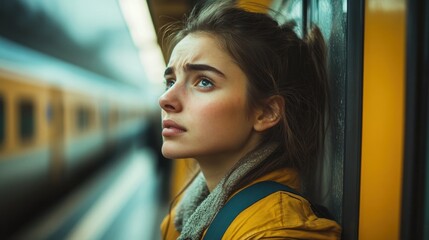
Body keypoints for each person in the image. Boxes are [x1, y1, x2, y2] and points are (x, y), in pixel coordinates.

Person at [158, 1, 341, 239]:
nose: (166, 99)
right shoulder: (187, 213)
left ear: (266, 113)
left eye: (204, 82)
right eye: (171, 81)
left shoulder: (274, 231)